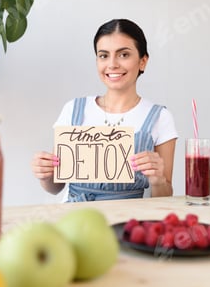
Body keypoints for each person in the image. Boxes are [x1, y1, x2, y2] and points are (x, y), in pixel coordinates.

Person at [32, 18, 178, 202]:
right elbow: (55, 187)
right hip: (75, 218)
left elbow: (165, 195)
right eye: (103, 55)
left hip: (129, 221)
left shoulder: (160, 117)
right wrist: (45, 175)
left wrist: (157, 180)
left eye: (123, 55)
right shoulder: (73, 109)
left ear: (142, 61)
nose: (112, 64)